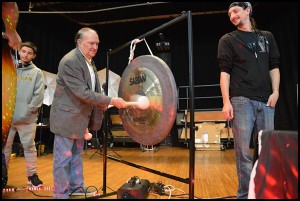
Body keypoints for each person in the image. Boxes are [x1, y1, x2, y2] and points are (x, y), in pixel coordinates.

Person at [49, 27, 127, 199]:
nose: (95, 47)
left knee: (76, 156)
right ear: (79, 42)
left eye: (97, 44)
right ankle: (60, 195)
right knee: (62, 160)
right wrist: (110, 100)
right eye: (91, 43)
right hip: (66, 118)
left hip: (79, 118)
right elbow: (83, 92)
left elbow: (92, 89)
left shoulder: (88, 61)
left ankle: (76, 188)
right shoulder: (70, 61)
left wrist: (101, 105)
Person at [217, 2, 280, 199]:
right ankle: (244, 195)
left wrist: (276, 92)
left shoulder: (266, 37)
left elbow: (274, 66)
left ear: (247, 10)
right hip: (242, 100)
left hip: (266, 102)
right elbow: (224, 72)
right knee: (243, 153)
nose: (232, 16)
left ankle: (262, 192)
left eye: (235, 11)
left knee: (266, 151)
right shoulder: (228, 40)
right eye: (229, 14)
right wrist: (226, 101)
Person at [4, 41, 45, 188]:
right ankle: (3, 177)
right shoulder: (11, 68)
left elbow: (38, 96)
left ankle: (32, 176)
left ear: (33, 56)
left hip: (26, 119)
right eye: (23, 51)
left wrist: (27, 111)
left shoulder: (37, 73)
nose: (26, 55)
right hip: (7, 118)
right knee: (5, 149)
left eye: (29, 53)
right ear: (19, 52)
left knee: (29, 147)